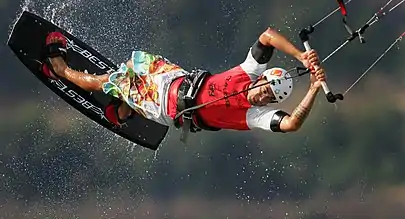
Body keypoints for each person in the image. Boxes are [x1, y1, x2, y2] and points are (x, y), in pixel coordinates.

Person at [40, 27, 325, 142]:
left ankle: (60, 69)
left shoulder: (253, 115)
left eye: (268, 98)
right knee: (130, 64)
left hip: (163, 104)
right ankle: (126, 109)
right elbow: (267, 36)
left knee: (107, 82)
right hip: (173, 76)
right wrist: (301, 55)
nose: (262, 97)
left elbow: (291, 125)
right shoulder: (249, 71)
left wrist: (312, 89)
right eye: (265, 89)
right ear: (262, 78)